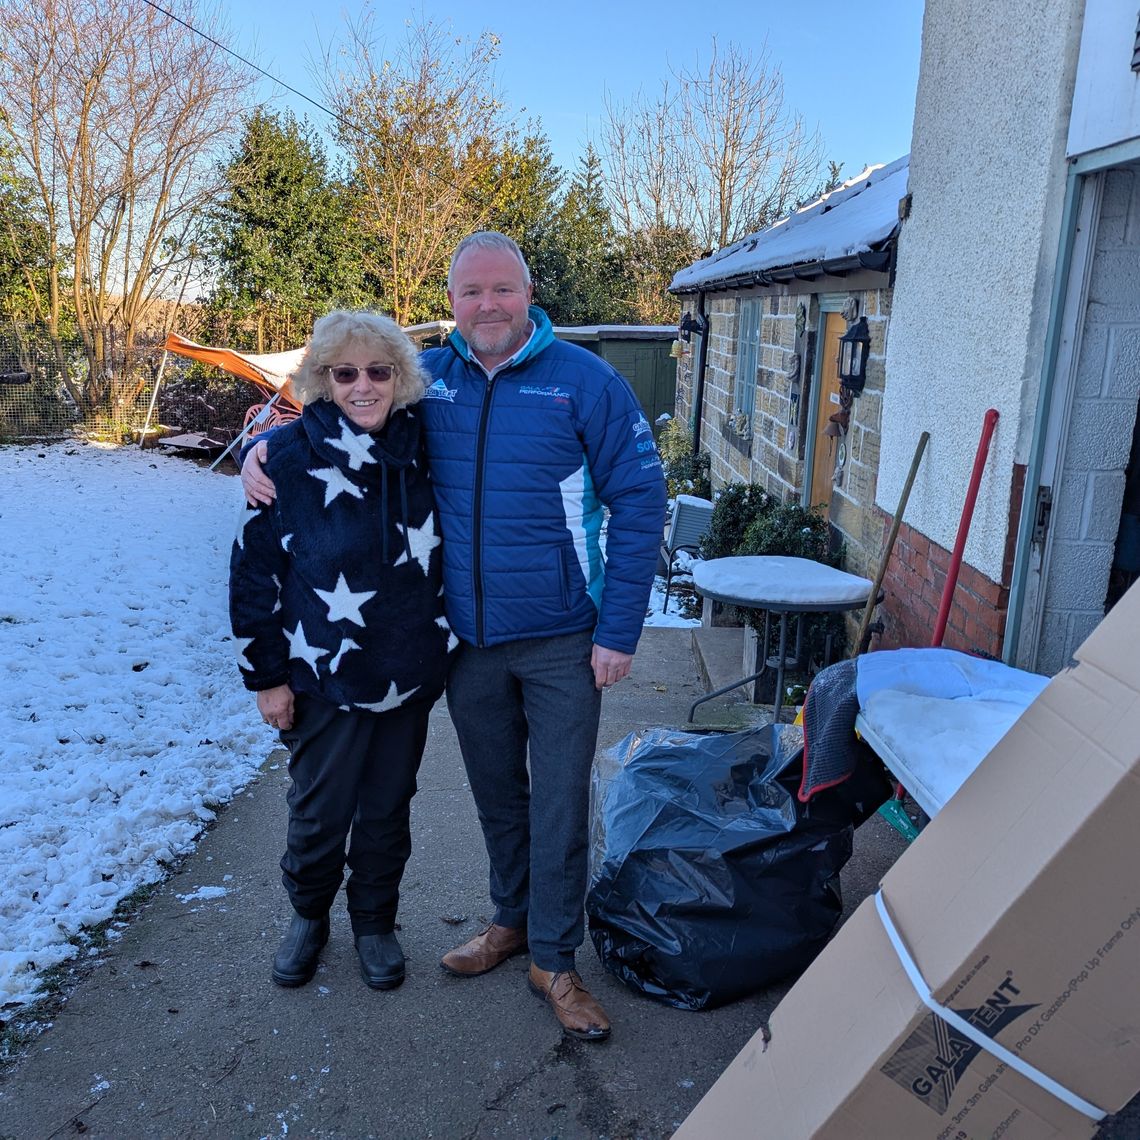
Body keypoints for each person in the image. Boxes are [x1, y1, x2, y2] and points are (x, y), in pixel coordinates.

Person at [243, 233, 666, 1040]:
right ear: (452, 301)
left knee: (559, 805)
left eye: (502, 289)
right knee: (498, 796)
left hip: (563, 639)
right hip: (465, 642)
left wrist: (619, 628)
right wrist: (261, 451)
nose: (488, 306)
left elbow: (642, 503)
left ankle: (555, 958)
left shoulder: (587, 383)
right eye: (471, 292)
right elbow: (341, 429)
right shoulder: (425, 381)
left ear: (529, 290)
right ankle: (510, 923)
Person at [230, 310, 453, 993]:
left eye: (379, 371)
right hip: (322, 680)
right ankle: (307, 916)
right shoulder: (289, 459)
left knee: (388, 811)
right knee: (319, 814)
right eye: (345, 372)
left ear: (401, 380)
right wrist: (267, 680)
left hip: (405, 677)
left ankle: (375, 923)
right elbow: (251, 577)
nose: (363, 385)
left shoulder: (428, 448)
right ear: (322, 381)